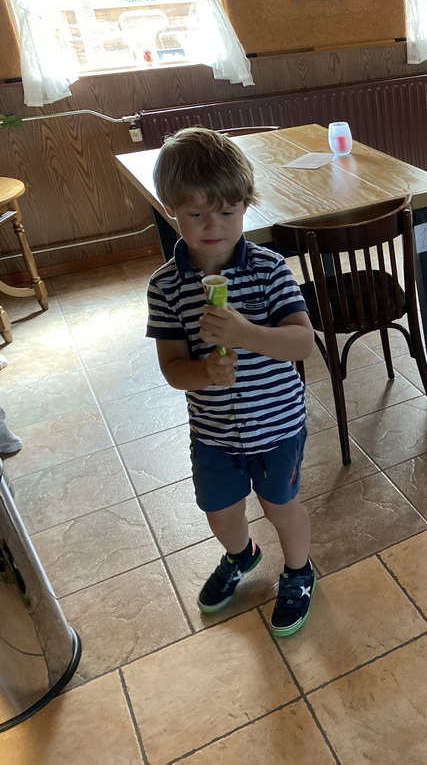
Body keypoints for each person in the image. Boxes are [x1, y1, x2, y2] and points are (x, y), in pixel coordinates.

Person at [146, 127, 317, 637]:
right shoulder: (165, 287)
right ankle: (242, 556)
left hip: (277, 425)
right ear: (171, 210)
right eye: (195, 213)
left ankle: (299, 571)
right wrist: (202, 372)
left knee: (281, 507)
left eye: (226, 211)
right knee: (220, 513)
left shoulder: (268, 270)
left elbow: (302, 343)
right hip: (214, 434)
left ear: (246, 205)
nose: (212, 226)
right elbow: (172, 366)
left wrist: (245, 333)